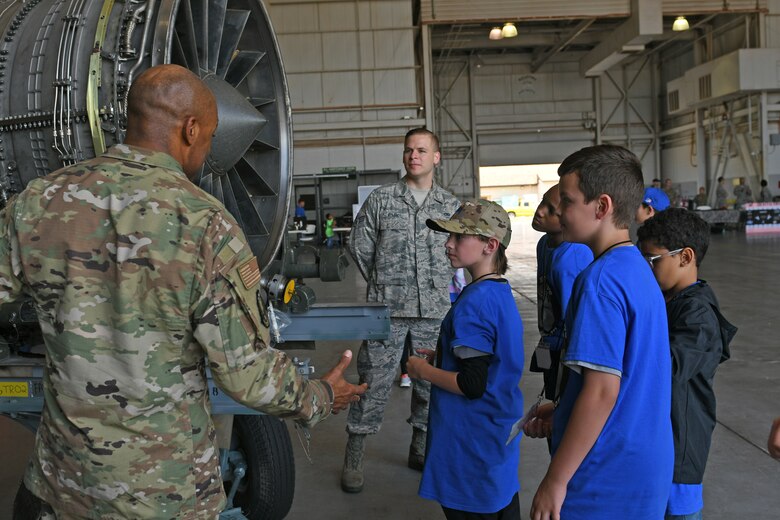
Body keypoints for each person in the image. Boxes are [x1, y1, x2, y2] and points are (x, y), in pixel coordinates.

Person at [0, 64, 367, 519]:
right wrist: (320, 397)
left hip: (59, 490)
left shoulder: (38, 203)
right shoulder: (206, 226)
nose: (207, 152)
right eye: (210, 139)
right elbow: (246, 376)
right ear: (191, 130)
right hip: (165, 497)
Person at [528, 145, 673, 520]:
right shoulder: (637, 269)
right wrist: (563, 412)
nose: (560, 211)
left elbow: (602, 391)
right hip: (643, 468)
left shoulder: (599, 281)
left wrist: (555, 480)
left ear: (602, 206)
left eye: (569, 201)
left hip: (604, 476)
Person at [345, 128, 460, 493]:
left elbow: (459, 251)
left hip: (434, 310)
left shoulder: (450, 205)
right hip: (388, 310)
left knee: (430, 384)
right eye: (409, 150)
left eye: (422, 150)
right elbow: (360, 245)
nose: (414, 156)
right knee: (372, 383)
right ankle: (355, 455)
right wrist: (384, 281)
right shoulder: (382, 200)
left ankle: (420, 447)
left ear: (436, 157)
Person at [407, 199, 524, 519]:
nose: (448, 243)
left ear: (490, 245)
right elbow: (488, 358)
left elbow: (472, 384)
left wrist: (423, 370)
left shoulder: (475, 302)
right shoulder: (499, 292)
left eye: (459, 237)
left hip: (470, 445)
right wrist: (444, 357)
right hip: (495, 440)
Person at [637, 208, 737, 520]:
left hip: (679, 455)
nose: (645, 268)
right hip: (658, 446)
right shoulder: (670, 301)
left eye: (653, 260)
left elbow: (665, 369)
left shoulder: (698, 315)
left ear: (685, 257)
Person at [529, 185, 592, 417]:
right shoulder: (544, 244)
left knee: (563, 412)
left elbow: (574, 320)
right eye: (542, 202)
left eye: (551, 210)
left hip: (567, 351)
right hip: (550, 342)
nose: (540, 211)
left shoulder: (571, 258)